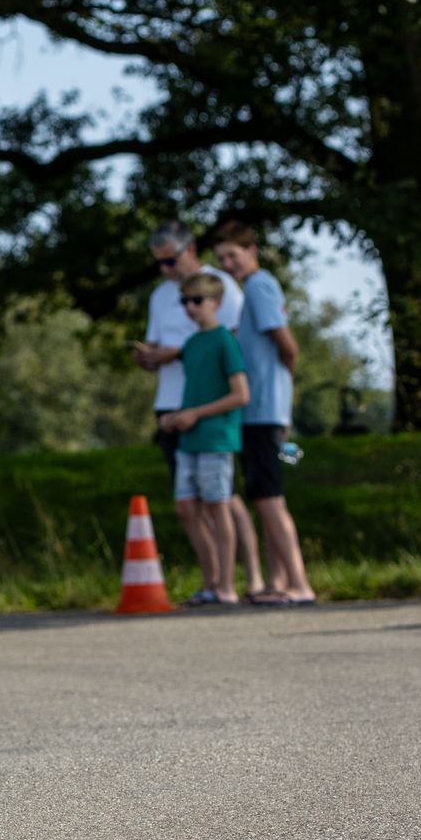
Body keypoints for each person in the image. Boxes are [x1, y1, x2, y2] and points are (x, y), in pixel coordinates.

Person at [132, 222, 265, 595]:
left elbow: (236, 344)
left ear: (190, 251)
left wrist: (182, 352)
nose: (165, 270)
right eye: (158, 263)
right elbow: (160, 340)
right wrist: (152, 357)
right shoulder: (161, 296)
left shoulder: (220, 287)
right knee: (189, 503)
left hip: (212, 409)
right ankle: (214, 582)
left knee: (224, 498)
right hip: (174, 403)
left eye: (170, 261)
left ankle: (249, 578)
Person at [212, 222, 317, 605]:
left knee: (270, 497)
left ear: (251, 250)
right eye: (221, 259)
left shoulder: (259, 286)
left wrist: (282, 391)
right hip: (258, 409)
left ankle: (300, 584)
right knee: (263, 494)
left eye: (232, 256)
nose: (228, 264)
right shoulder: (253, 289)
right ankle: (279, 581)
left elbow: (287, 345)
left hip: (264, 408)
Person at [155, 272, 250, 605]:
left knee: (217, 507)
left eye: (197, 301)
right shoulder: (192, 345)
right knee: (185, 507)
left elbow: (240, 394)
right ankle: (210, 581)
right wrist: (178, 415)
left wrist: (196, 414)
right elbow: (194, 390)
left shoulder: (225, 341)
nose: (190, 308)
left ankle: (226, 584)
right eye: (185, 302)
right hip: (189, 438)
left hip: (216, 439)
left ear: (217, 303)